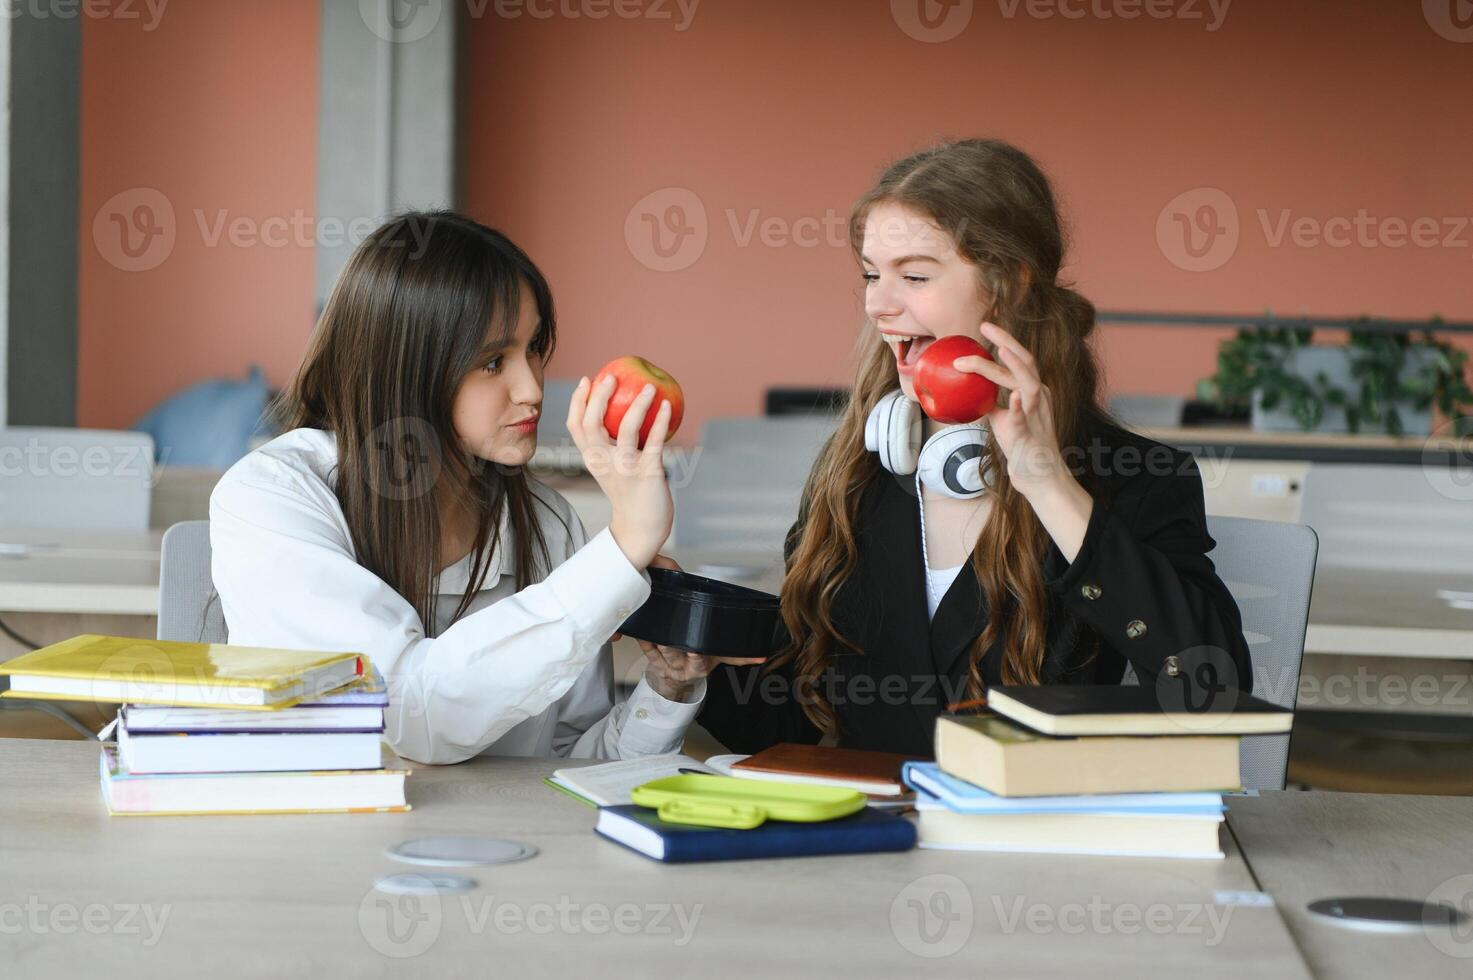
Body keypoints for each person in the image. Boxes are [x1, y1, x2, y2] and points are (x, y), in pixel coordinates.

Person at [683, 139, 1253, 756]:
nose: (877, 303)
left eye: (916, 275)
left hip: (1027, 842)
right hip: (873, 842)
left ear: (1008, 284)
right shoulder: (857, 470)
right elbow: (796, 720)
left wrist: (1048, 484)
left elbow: (1208, 691)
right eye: (872, 274)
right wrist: (693, 669)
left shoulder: (1138, 479)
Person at [210, 210, 749, 764]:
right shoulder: (273, 496)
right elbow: (407, 713)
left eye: (534, 347)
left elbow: (569, 761)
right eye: (493, 362)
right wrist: (623, 547)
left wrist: (667, 688)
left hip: (514, 847)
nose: (533, 387)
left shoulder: (546, 521)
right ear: (406, 367)